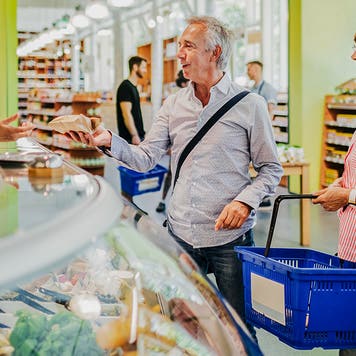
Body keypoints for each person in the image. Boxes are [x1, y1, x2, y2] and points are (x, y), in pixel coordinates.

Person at [66, 16, 283, 337]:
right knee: (177, 328)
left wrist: (245, 202)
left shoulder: (250, 106)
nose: (179, 53)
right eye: (179, 46)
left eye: (188, 46)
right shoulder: (174, 104)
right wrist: (108, 140)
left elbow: (271, 169)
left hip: (229, 242)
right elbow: (144, 158)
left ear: (214, 52)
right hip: (180, 234)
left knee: (237, 330)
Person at [312, 34, 356, 356]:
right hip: (350, 247)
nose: (353, 57)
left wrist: (348, 196)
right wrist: (337, 186)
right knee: (347, 336)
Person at [156, 70, 189, 214]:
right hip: (177, 145)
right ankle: (163, 201)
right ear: (184, 83)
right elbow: (169, 125)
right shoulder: (175, 100)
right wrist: (168, 144)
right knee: (171, 173)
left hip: (190, 146)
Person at [247, 60, 279, 209]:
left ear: (257, 69)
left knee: (266, 163)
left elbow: (270, 112)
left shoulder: (268, 89)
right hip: (251, 130)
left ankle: (266, 196)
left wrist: (266, 130)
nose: (247, 72)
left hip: (263, 131)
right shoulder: (251, 89)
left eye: (250, 69)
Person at [116, 56, 147, 145]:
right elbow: (126, 114)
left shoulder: (134, 87)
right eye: (143, 67)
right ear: (135, 67)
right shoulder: (125, 87)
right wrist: (134, 135)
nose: (145, 70)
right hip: (130, 139)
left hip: (138, 137)